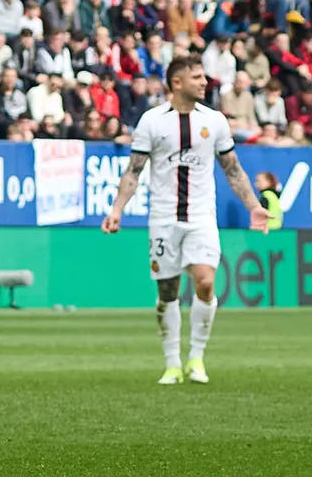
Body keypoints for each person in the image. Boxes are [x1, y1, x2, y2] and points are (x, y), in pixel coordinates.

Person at [100, 55, 270, 385]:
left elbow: (232, 169)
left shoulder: (215, 120)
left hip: (201, 216)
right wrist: (117, 209)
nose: (205, 82)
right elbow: (133, 170)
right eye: (197, 77)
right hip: (163, 218)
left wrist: (253, 206)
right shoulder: (152, 121)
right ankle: (171, 362)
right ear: (176, 83)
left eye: (204, 76)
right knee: (168, 291)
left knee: (205, 281)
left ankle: (197, 357)